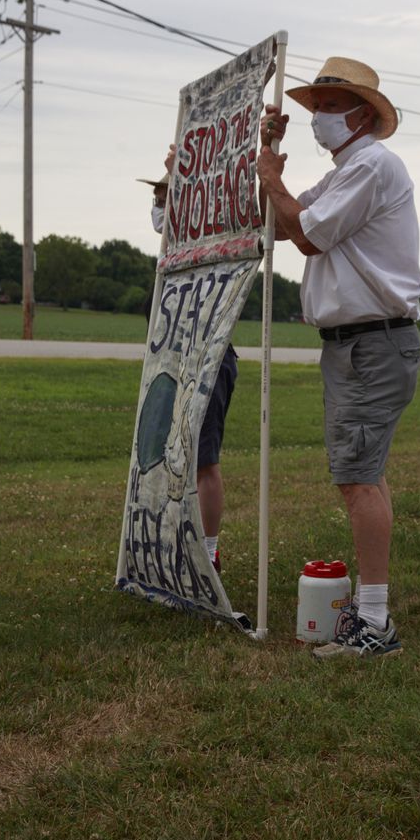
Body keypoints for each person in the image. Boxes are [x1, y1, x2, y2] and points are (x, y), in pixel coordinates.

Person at [256, 57, 420, 659]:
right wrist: (266, 158)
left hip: (372, 343)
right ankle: (369, 608)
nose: (319, 118)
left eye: (330, 107)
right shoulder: (346, 170)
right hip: (358, 344)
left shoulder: (371, 165)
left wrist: (273, 178)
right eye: (316, 107)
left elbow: (306, 235)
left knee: (356, 478)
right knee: (365, 472)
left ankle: (374, 622)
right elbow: (278, 226)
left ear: (363, 115)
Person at [141, 161, 239, 574]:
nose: (157, 206)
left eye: (165, 198)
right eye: (155, 198)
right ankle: (174, 543)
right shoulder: (172, 254)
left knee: (203, 460)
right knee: (165, 456)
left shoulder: (204, 241)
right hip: (173, 358)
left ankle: (209, 552)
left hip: (208, 357)